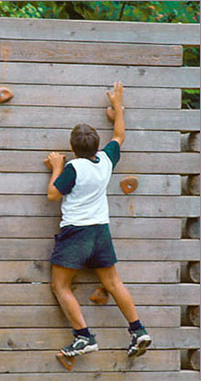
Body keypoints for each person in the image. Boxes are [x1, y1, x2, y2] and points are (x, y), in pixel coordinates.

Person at [44, 81, 151, 358]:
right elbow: (119, 136)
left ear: (72, 147)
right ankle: (138, 330)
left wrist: (56, 167)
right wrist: (118, 106)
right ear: (95, 145)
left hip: (76, 233)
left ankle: (83, 337)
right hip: (100, 232)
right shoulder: (105, 160)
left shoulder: (73, 168)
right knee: (114, 283)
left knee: (60, 285)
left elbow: (53, 194)